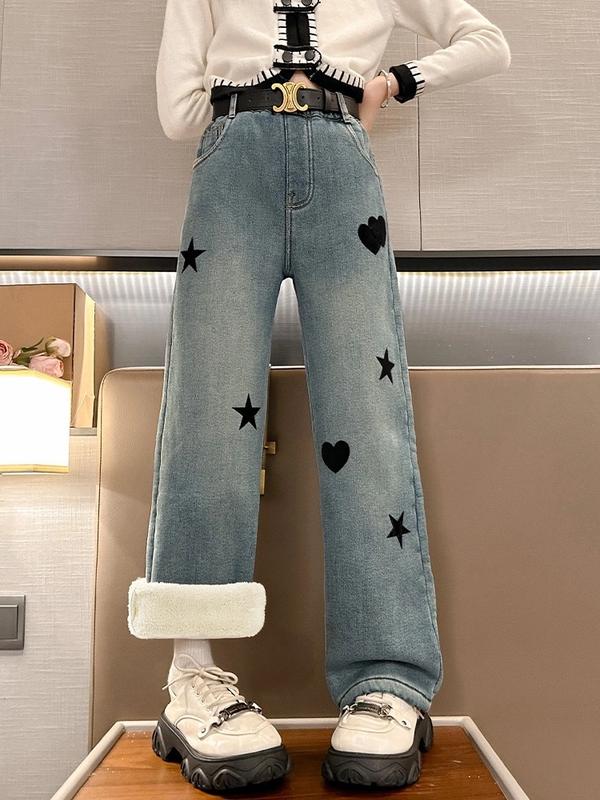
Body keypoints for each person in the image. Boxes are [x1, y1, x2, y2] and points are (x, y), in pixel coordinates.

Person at [127, 0, 511, 792]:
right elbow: (176, 116)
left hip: (329, 164)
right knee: (208, 415)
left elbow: (487, 42)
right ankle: (194, 676)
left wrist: (395, 81)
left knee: (365, 418)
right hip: (239, 167)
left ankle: (388, 680)